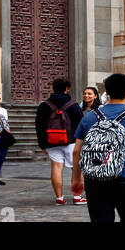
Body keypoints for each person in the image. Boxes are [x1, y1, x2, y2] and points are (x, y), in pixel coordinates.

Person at [72, 72, 125, 223]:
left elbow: (77, 151)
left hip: (95, 179)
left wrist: (77, 178)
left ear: (107, 93)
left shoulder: (89, 116)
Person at [35, 77, 85, 207]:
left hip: (51, 142)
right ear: (67, 89)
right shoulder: (73, 105)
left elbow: (39, 126)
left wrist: (43, 144)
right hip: (72, 142)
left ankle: (59, 198)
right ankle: (77, 197)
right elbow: (81, 124)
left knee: (56, 168)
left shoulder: (44, 106)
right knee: (76, 169)